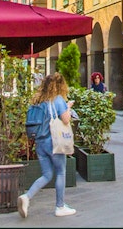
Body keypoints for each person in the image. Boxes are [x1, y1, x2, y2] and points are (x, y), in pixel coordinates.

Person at [18, 73, 76, 218]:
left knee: (47, 174)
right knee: (61, 172)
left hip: (40, 142)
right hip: (54, 141)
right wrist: (68, 107)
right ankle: (60, 206)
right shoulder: (58, 100)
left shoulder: (38, 100)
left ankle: (27, 197)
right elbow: (66, 119)